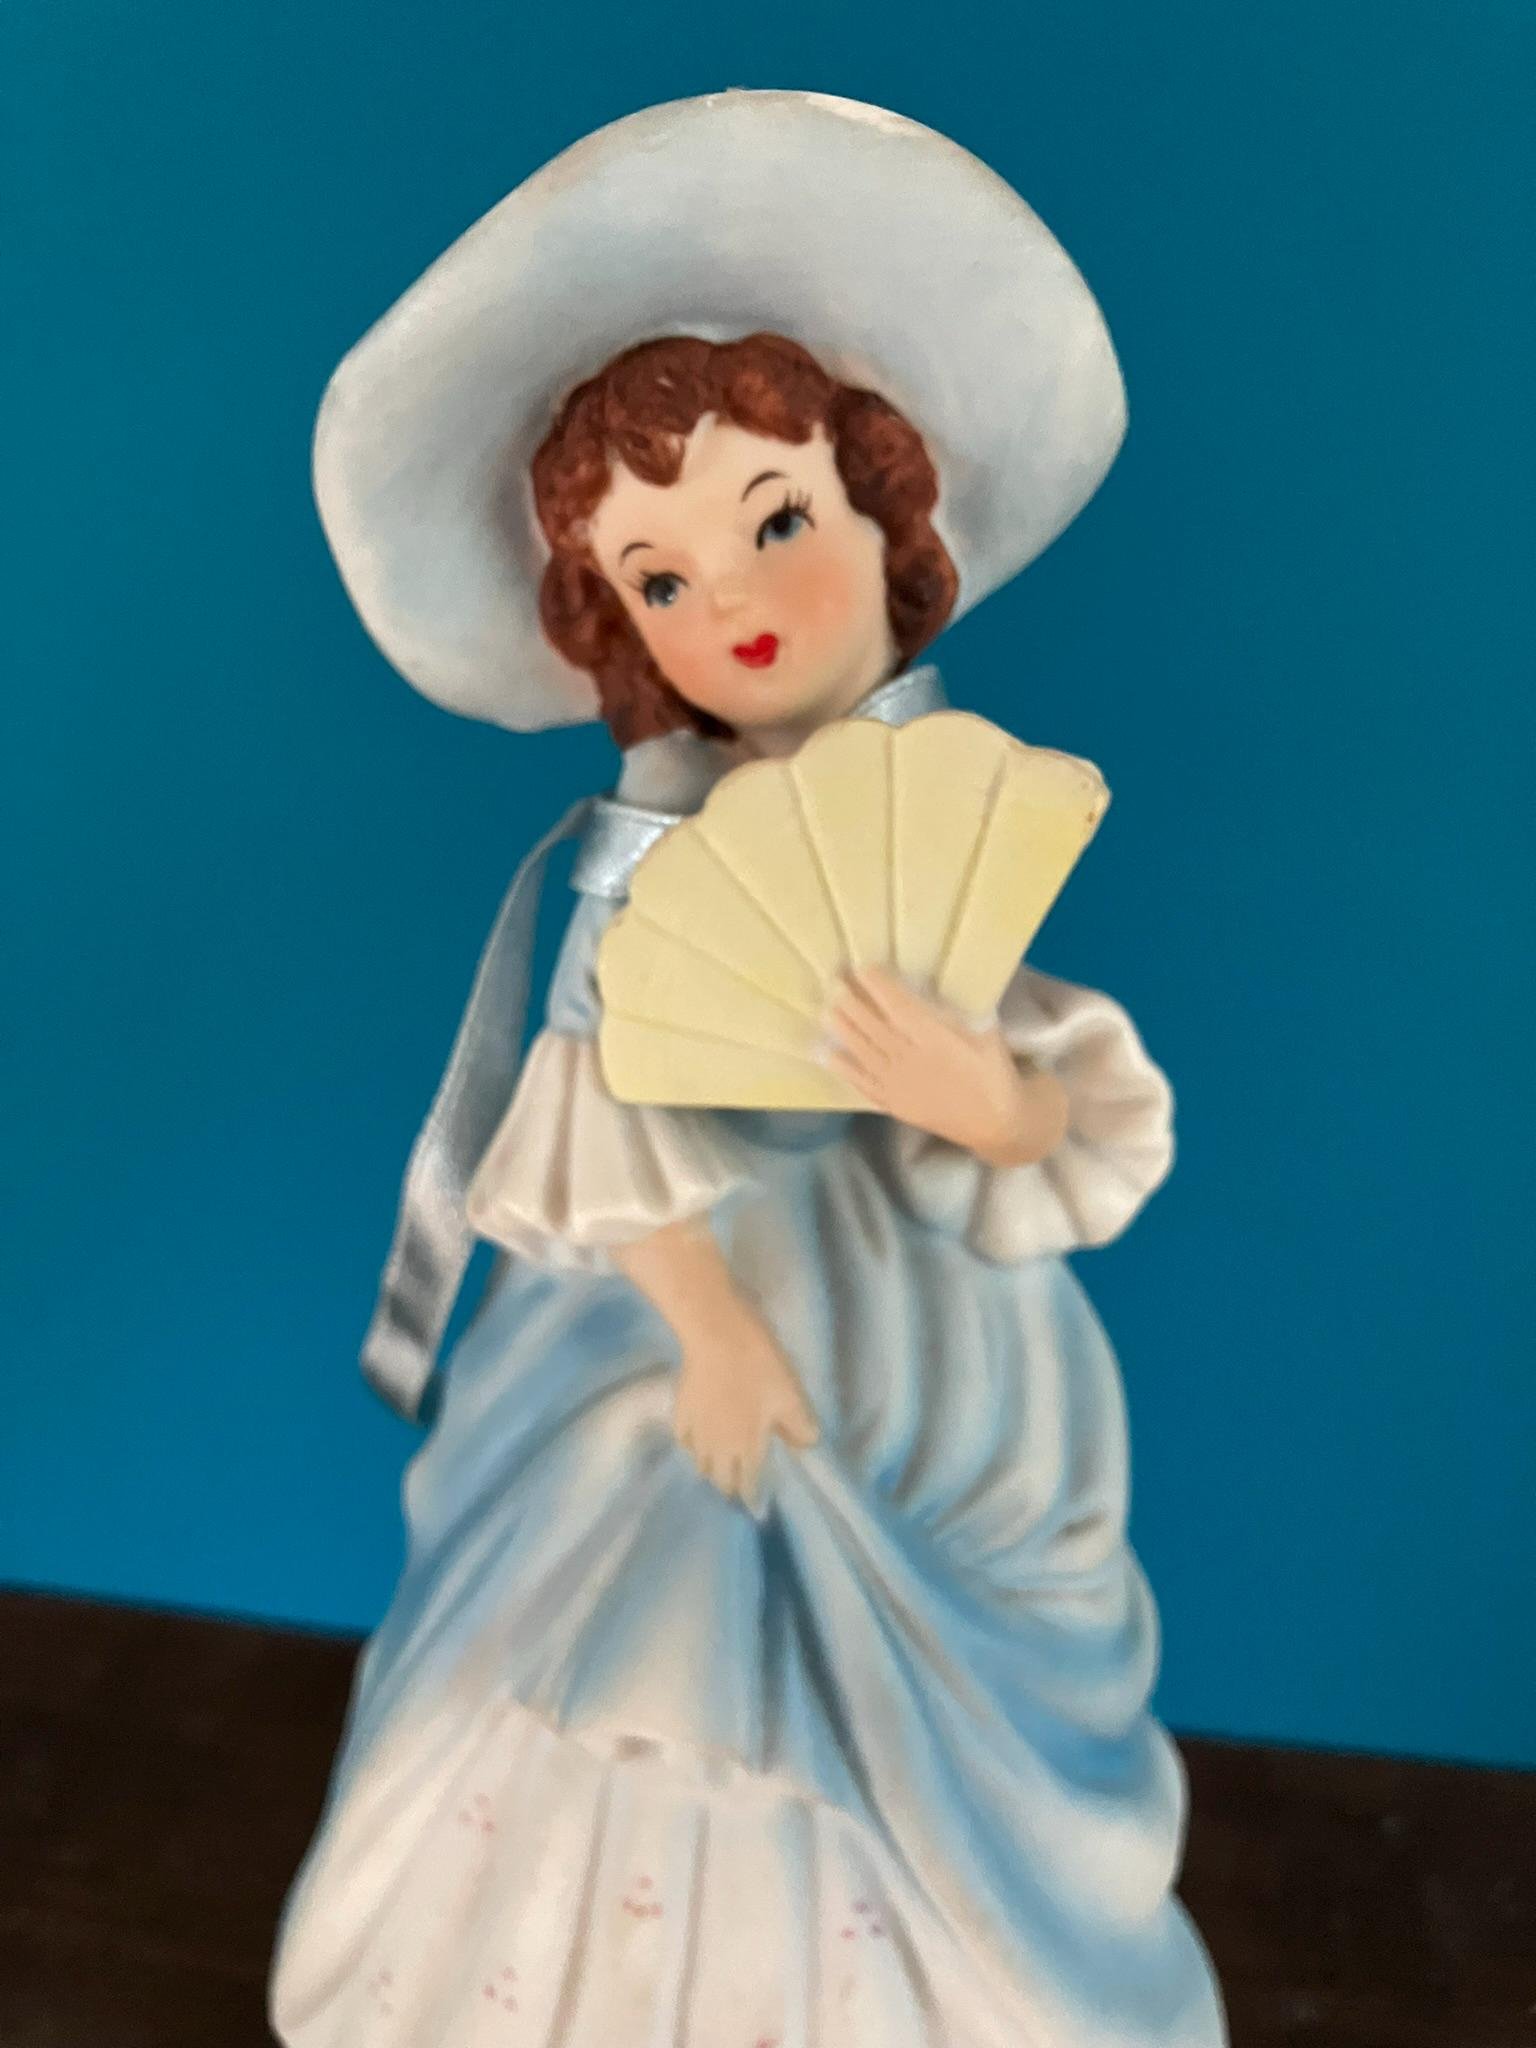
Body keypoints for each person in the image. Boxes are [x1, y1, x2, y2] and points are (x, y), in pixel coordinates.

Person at [270, 89, 1227, 2048]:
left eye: (776, 521)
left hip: (932, 1335)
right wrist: (709, 1333)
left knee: (927, 1693)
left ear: (883, 509)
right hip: (674, 1287)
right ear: (617, 626)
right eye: (661, 578)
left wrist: (990, 1105)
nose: (737, 605)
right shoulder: (642, 861)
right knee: (651, 1575)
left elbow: (1057, 1109)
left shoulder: (944, 818)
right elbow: (591, 1121)